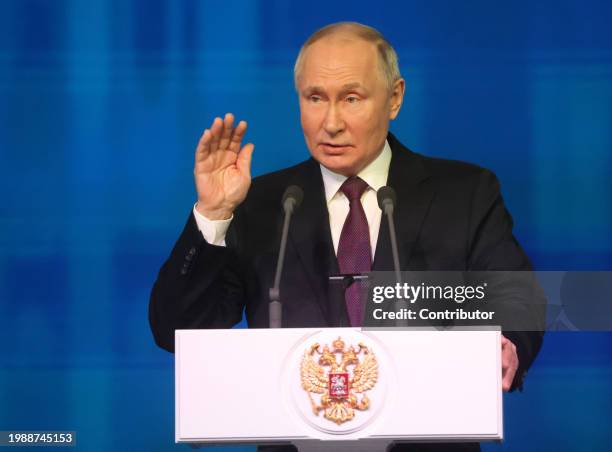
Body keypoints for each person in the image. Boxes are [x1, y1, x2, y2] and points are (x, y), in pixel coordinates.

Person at [149, 22, 543, 452]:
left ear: (394, 98)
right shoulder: (261, 204)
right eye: (314, 98)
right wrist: (214, 213)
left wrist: (506, 341)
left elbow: (516, 296)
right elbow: (177, 331)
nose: (330, 122)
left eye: (351, 99)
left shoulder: (464, 193)